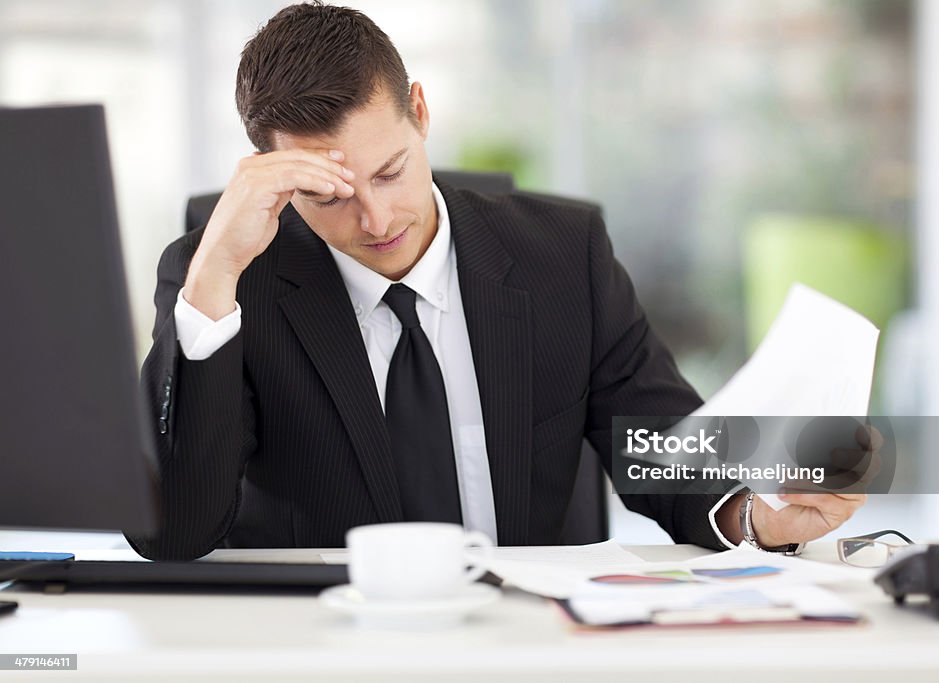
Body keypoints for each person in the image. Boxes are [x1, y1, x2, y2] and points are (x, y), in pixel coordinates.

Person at [127, 2, 865, 561]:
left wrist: (754, 516)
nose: (376, 217)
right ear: (275, 175)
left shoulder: (563, 257)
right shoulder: (226, 284)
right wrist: (214, 276)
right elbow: (174, 532)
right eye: (328, 193)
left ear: (418, 111)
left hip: (521, 640)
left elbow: (661, 445)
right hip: (330, 648)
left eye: (389, 171)